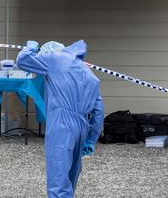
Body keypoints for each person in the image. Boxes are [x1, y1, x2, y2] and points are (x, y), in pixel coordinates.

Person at [16, 40, 104, 198]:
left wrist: (30, 47)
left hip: (62, 124)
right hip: (82, 126)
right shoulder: (89, 73)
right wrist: (91, 139)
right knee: (70, 177)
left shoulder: (54, 59)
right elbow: (98, 111)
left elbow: (23, 60)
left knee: (58, 177)